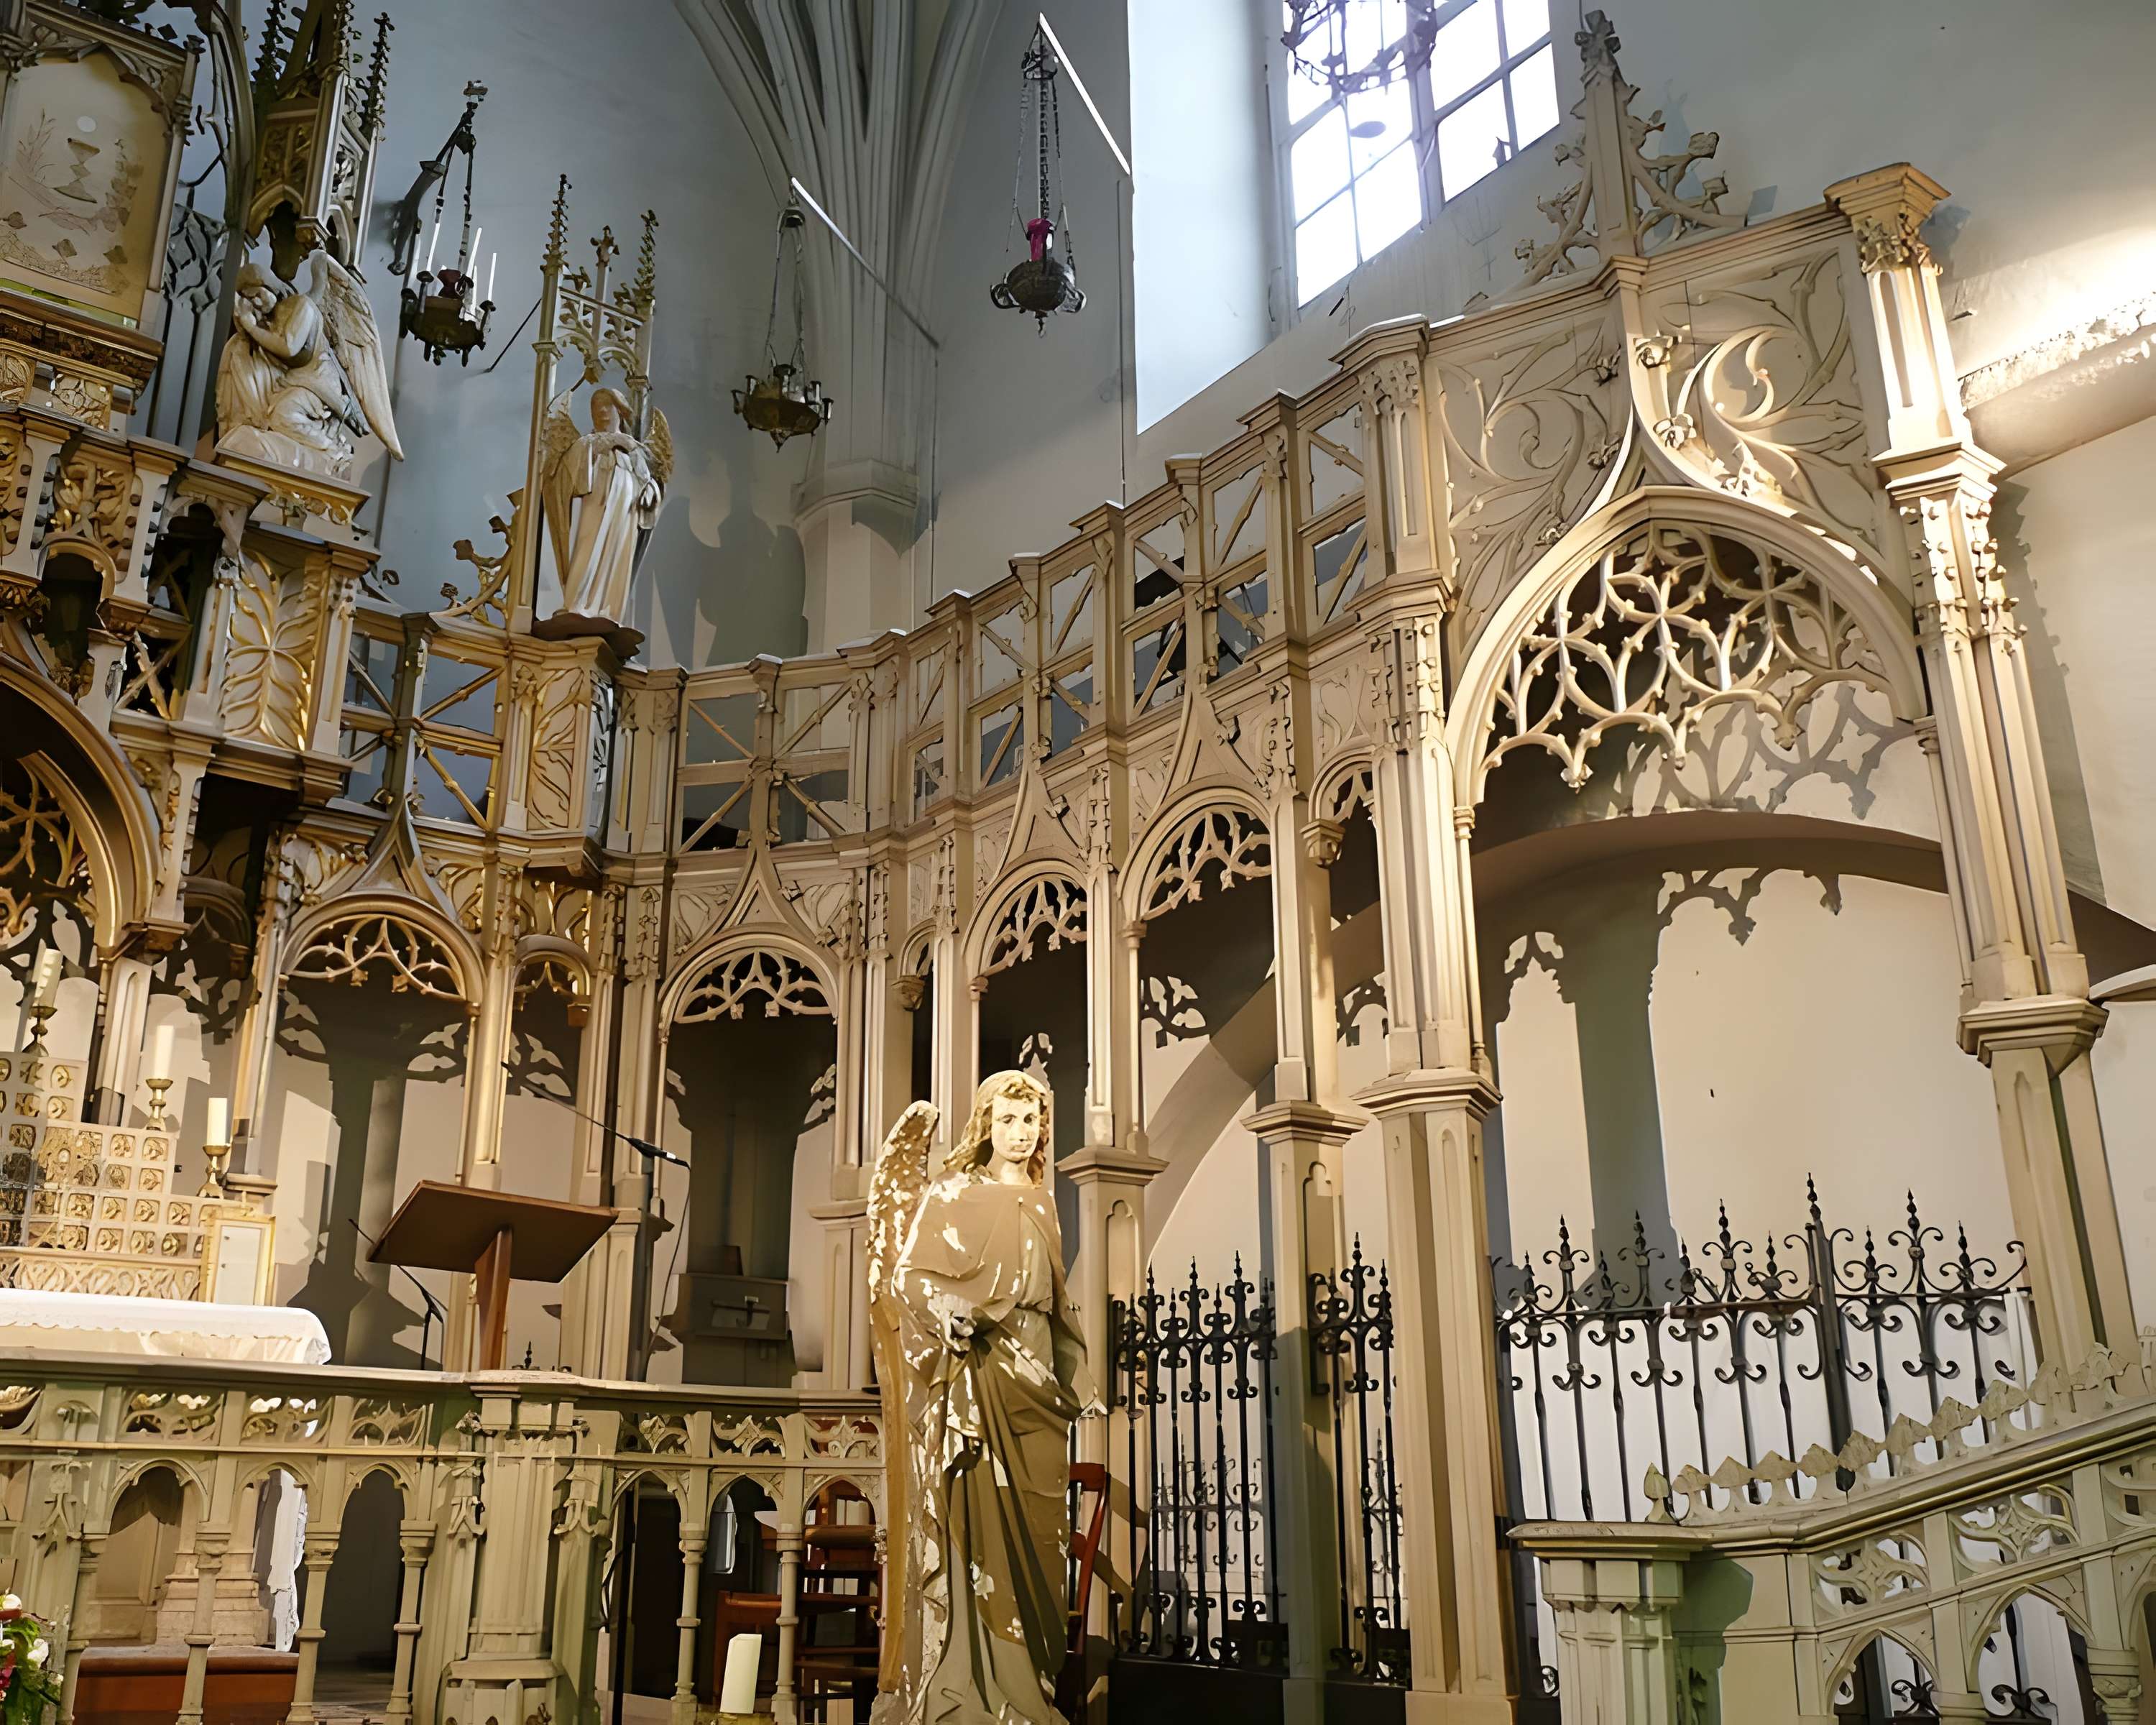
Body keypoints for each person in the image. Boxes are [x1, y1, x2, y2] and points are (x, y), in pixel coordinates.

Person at [876, 1072, 1092, 1724]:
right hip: (979, 1369)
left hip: (1035, 1384)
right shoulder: (952, 1193)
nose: (1021, 1134)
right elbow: (908, 1278)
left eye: (1031, 1122)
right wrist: (951, 1310)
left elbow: (1056, 1302)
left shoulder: (1044, 1200)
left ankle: (1032, 1681)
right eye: (1008, 1121)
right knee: (979, 1519)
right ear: (985, 1126)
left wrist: (1077, 1378)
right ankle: (972, 1684)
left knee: (1039, 1536)